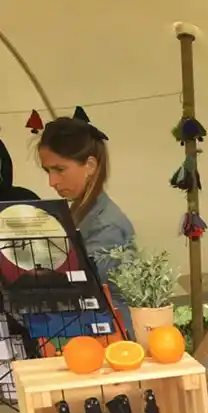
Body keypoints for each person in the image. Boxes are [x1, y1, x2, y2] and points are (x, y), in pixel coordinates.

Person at [37, 117, 135, 334]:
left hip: (111, 340)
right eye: (48, 171)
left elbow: (83, 290)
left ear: (90, 166)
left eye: (59, 169)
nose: (52, 181)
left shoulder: (106, 226)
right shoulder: (80, 213)